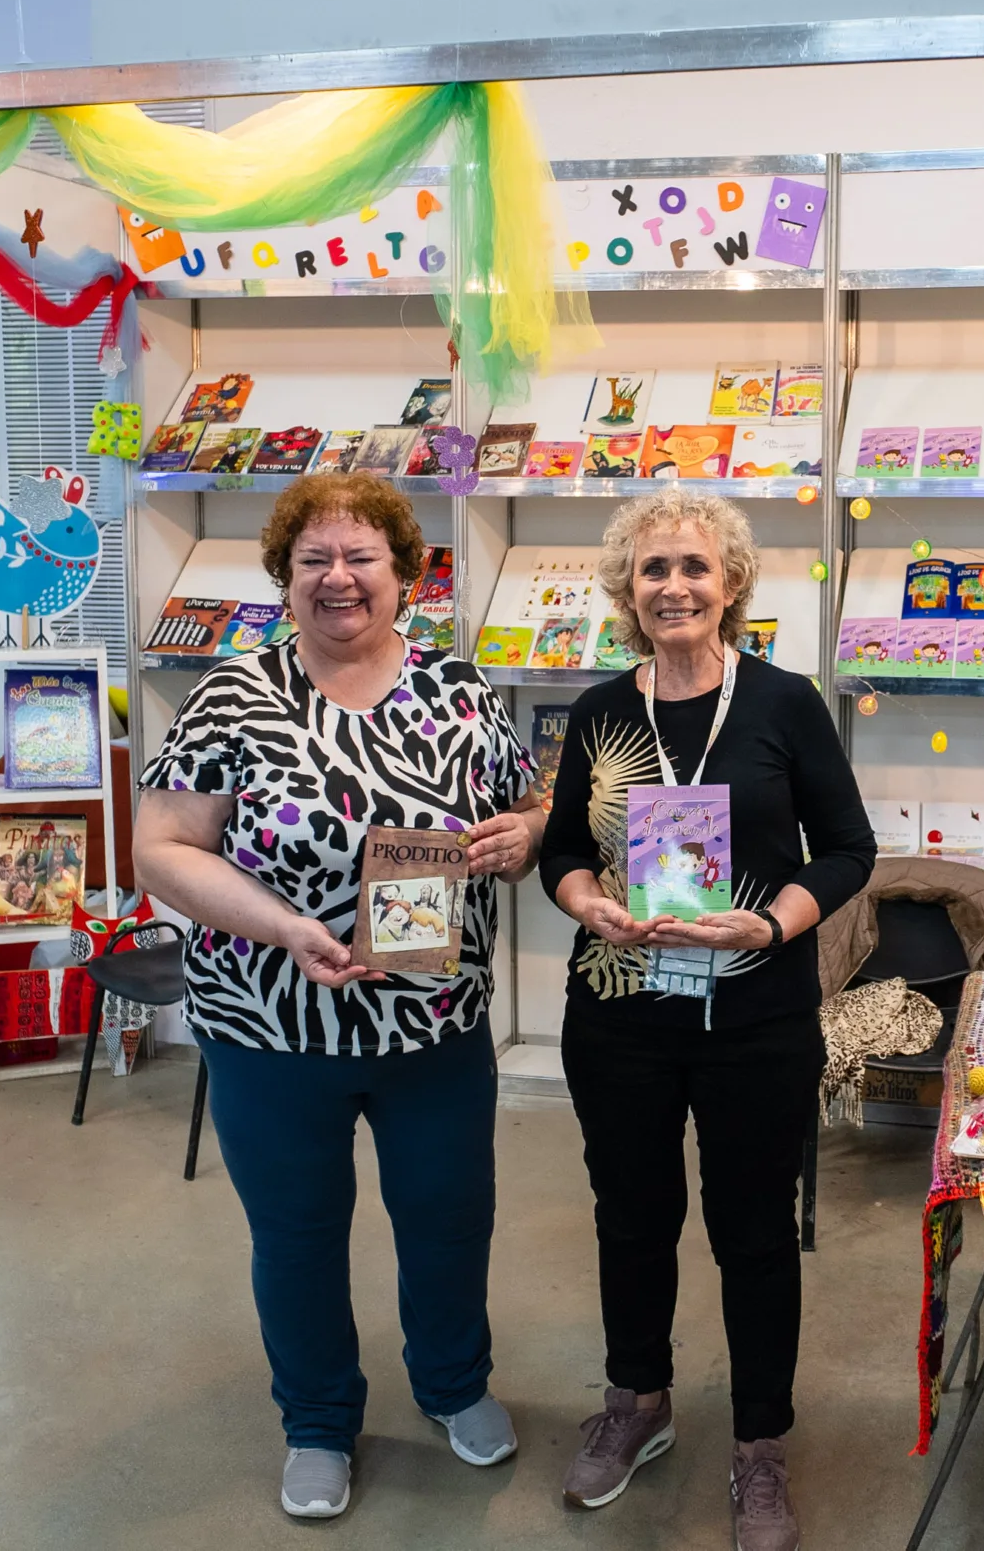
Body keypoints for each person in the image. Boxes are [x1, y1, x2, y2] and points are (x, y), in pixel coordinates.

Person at [133, 472, 544, 1521]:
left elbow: (526, 801)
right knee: (299, 1234)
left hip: (433, 1025)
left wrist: (525, 834)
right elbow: (162, 851)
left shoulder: (460, 690)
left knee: (449, 1220)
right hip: (271, 1028)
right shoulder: (233, 696)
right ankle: (317, 1422)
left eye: (362, 556)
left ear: (405, 574)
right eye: (313, 558)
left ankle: (454, 1385)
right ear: (285, 577)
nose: (339, 577)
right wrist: (287, 929)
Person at [537, 491, 875, 1550]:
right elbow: (559, 849)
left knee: (753, 1234)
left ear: (729, 581)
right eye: (652, 571)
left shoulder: (783, 703)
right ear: (626, 592)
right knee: (631, 1219)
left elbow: (848, 849)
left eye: (693, 566)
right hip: (620, 1013)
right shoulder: (599, 709)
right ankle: (636, 1404)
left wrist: (771, 926)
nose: (673, 586)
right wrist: (584, 899)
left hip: (757, 1014)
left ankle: (759, 1449)